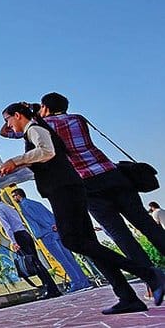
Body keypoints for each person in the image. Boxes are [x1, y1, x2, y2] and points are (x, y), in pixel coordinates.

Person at [0, 101, 165, 314]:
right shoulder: (72, 120)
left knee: (78, 240)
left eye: (8, 119)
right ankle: (127, 295)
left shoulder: (37, 128)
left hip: (69, 188)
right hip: (99, 179)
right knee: (96, 243)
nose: (8, 125)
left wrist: (15, 160)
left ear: (19, 115)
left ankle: (150, 275)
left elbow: (45, 151)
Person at [38, 93, 165, 271]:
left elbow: (8, 131)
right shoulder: (78, 119)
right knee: (146, 223)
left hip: (86, 183)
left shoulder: (44, 126)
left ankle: (152, 277)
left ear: (45, 107)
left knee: (119, 233)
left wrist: (32, 112)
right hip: (112, 174)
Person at [11, 187, 92, 292]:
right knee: (69, 258)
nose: (13, 199)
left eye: (14, 196)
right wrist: (56, 225)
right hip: (56, 231)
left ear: (18, 195)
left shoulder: (25, 206)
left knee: (63, 260)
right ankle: (84, 281)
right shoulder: (35, 203)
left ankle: (77, 282)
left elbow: (37, 218)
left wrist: (48, 226)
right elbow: (50, 214)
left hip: (47, 234)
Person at [0, 191, 61, 299]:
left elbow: (7, 227)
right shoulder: (9, 207)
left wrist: (13, 242)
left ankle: (50, 289)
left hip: (18, 236)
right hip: (25, 234)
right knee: (36, 261)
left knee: (34, 264)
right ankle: (52, 288)